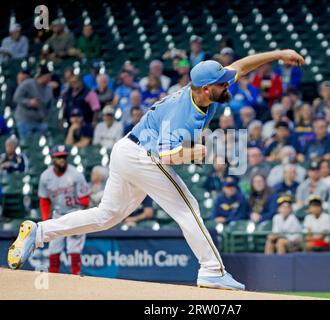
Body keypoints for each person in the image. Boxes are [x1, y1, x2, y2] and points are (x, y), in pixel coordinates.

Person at [8, 48, 305, 290]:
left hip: (128, 150)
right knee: (188, 206)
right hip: (142, 155)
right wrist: (192, 153)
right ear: (204, 89)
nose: (228, 84)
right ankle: (212, 270)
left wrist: (277, 54)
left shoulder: (203, 91)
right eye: (221, 84)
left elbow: (240, 66)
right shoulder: (184, 116)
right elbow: (166, 156)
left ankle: (40, 230)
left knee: (106, 216)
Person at [38, 145, 90, 275]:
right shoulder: (45, 177)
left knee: (74, 249)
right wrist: (46, 220)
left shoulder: (76, 174)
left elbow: (85, 199)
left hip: (74, 213)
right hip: (58, 215)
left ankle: (75, 278)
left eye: (64, 157)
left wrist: (79, 215)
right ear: (52, 158)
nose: (62, 159)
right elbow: (44, 200)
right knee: (54, 250)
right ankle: (54, 280)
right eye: (59, 157)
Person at [13, 64, 53, 140]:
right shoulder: (27, 83)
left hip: (40, 122)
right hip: (25, 120)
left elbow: (49, 106)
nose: (49, 79)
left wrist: (45, 116)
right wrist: (29, 102)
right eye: (48, 76)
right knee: (26, 144)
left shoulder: (49, 89)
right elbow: (16, 97)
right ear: (42, 76)